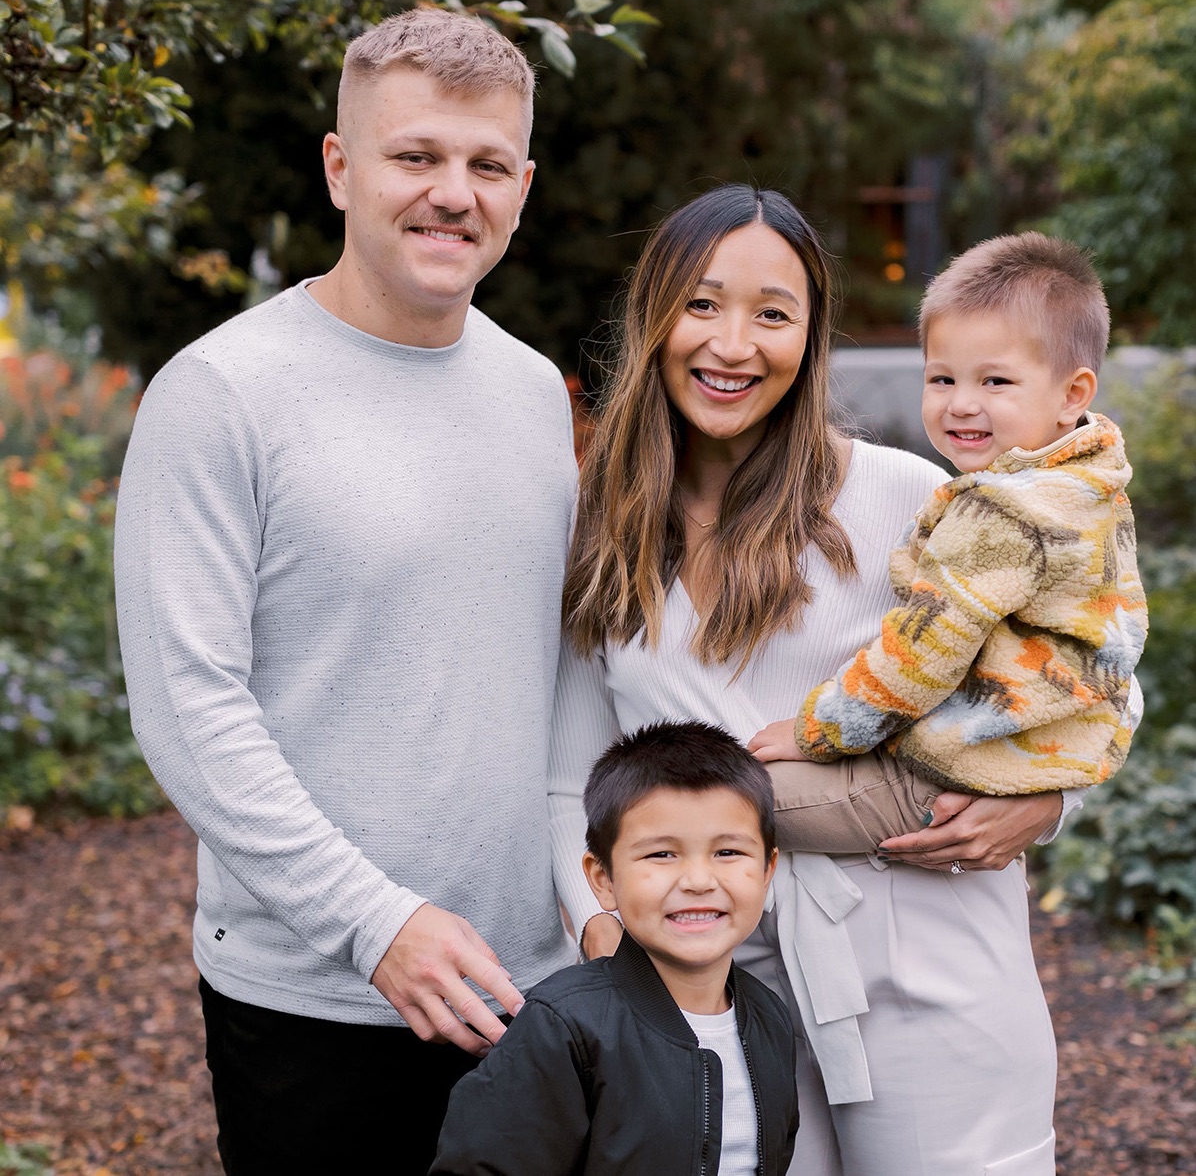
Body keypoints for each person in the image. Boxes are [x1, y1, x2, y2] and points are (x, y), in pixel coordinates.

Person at [114, 9, 578, 1174]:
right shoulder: (221, 393)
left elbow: (565, 670)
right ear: (339, 167)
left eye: (485, 166)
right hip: (315, 998)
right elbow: (186, 708)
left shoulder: (532, 392)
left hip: (530, 981)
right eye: (414, 155)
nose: (451, 194)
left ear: (522, 188)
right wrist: (375, 923)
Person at [547, 184, 1074, 1174]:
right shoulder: (606, 528)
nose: (732, 344)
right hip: (712, 982)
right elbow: (568, 776)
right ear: (653, 315)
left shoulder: (905, 497)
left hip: (927, 961)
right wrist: (605, 934)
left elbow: (1069, 670)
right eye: (702, 304)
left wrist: (1047, 801)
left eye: (772, 313)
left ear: (810, 336)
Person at [748, 231, 1148, 854]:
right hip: (1028, 757)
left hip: (951, 772)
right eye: (941, 378)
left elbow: (924, 651)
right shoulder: (1089, 489)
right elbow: (1114, 643)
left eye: (995, 382)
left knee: (719, 805)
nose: (961, 404)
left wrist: (820, 730)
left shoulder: (1002, 511)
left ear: (1072, 395)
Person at [432, 720, 799, 1176]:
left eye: (728, 852)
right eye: (661, 854)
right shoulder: (564, 1026)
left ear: (766, 870)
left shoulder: (770, 1018)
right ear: (603, 879)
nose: (699, 881)